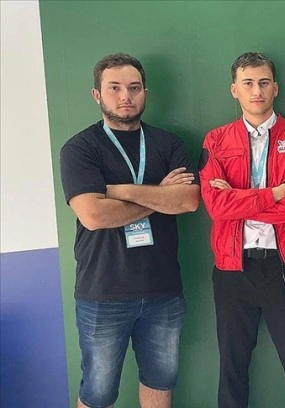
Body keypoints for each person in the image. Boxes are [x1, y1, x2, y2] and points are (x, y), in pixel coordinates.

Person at [59, 53, 200, 408]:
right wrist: (160, 196)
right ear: (97, 94)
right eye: (115, 88)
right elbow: (93, 215)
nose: (126, 96)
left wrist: (117, 190)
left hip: (163, 291)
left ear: (145, 93)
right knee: (98, 392)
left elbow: (188, 200)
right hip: (102, 292)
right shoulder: (79, 149)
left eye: (134, 88)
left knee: (160, 382)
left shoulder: (169, 144)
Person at [199, 52, 285, 408]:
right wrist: (274, 194)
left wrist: (239, 199)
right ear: (234, 89)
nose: (257, 91)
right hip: (232, 269)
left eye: (264, 83)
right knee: (232, 366)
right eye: (248, 83)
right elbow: (216, 207)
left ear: (275, 88)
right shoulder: (215, 141)